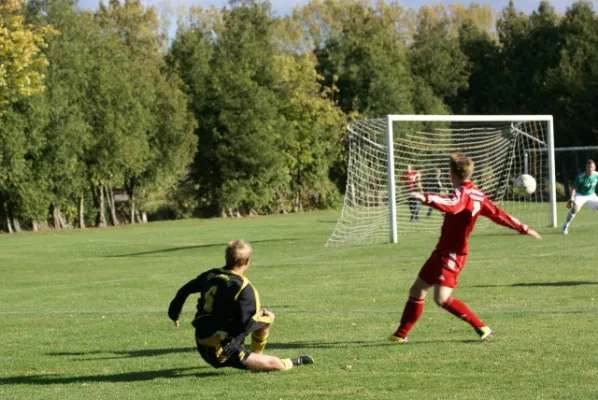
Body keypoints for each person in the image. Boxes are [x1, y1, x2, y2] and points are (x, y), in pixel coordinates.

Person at [389, 154, 542, 344]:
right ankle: (399, 335)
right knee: (417, 290)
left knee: (442, 299)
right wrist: (524, 228)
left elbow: (453, 206)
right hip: (441, 251)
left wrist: (426, 198)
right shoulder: (476, 194)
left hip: (453, 254)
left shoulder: (464, 194)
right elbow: (498, 214)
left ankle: (481, 327)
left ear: (452, 174)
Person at [168, 240, 313, 371]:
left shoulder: (210, 275)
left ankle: (256, 358)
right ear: (247, 261)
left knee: (261, 319)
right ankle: (293, 362)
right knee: (275, 361)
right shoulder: (244, 289)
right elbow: (244, 327)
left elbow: (184, 290)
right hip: (222, 351)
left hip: (202, 339)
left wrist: (174, 313)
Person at [562, 159, 598, 234]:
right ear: (586, 168)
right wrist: (572, 198)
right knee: (574, 209)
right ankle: (566, 225)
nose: (590, 169)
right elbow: (574, 188)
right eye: (588, 167)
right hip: (580, 195)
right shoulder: (580, 177)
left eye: (591, 167)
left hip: (591, 195)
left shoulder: (596, 175)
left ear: (594, 168)